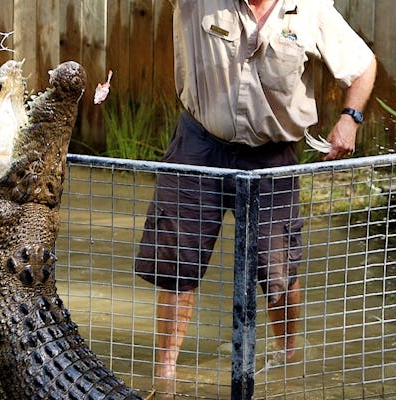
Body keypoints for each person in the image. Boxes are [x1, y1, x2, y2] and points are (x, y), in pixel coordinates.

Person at [134, 0, 377, 392]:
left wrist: (350, 120)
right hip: (200, 143)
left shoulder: (311, 10)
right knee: (178, 261)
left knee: (277, 268)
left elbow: (364, 68)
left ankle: (288, 359)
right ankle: (165, 376)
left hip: (272, 156)